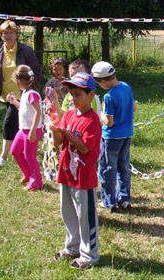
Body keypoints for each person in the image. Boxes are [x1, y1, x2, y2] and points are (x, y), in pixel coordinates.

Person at [50, 72, 101, 269]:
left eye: (78, 94)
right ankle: (72, 246)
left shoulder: (92, 120)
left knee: (85, 216)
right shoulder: (70, 114)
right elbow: (59, 144)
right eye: (71, 94)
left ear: (90, 96)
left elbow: (84, 148)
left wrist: (65, 132)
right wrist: (56, 133)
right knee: (68, 212)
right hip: (66, 171)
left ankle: (89, 255)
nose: (73, 98)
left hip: (83, 176)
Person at [0, 20, 43, 168]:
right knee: (20, 125)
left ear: (16, 34)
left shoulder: (26, 50)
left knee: (8, 124)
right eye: (4, 33)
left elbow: (37, 71)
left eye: (11, 32)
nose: (7, 35)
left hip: (22, 96)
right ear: (1, 35)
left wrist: (29, 88)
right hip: (6, 95)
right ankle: (26, 149)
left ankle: (3, 157)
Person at [91, 61, 135, 211]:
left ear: (103, 81)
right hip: (127, 135)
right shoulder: (126, 87)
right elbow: (134, 107)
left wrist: (101, 114)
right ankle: (124, 198)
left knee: (107, 168)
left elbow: (109, 122)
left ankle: (108, 201)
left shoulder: (109, 97)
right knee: (123, 167)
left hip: (111, 138)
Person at [8, 65, 44, 191]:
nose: (16, 83)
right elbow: (23, 108)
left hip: (31, 130)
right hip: (23, 130)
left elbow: (37, 112)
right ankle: (28, 174)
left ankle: (36, 182)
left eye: (16, 81)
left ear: (19, 80)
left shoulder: (32, 94)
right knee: (15, 151)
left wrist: (33, 131)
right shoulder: (25, 93)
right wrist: (13, 101)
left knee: (30, 156)